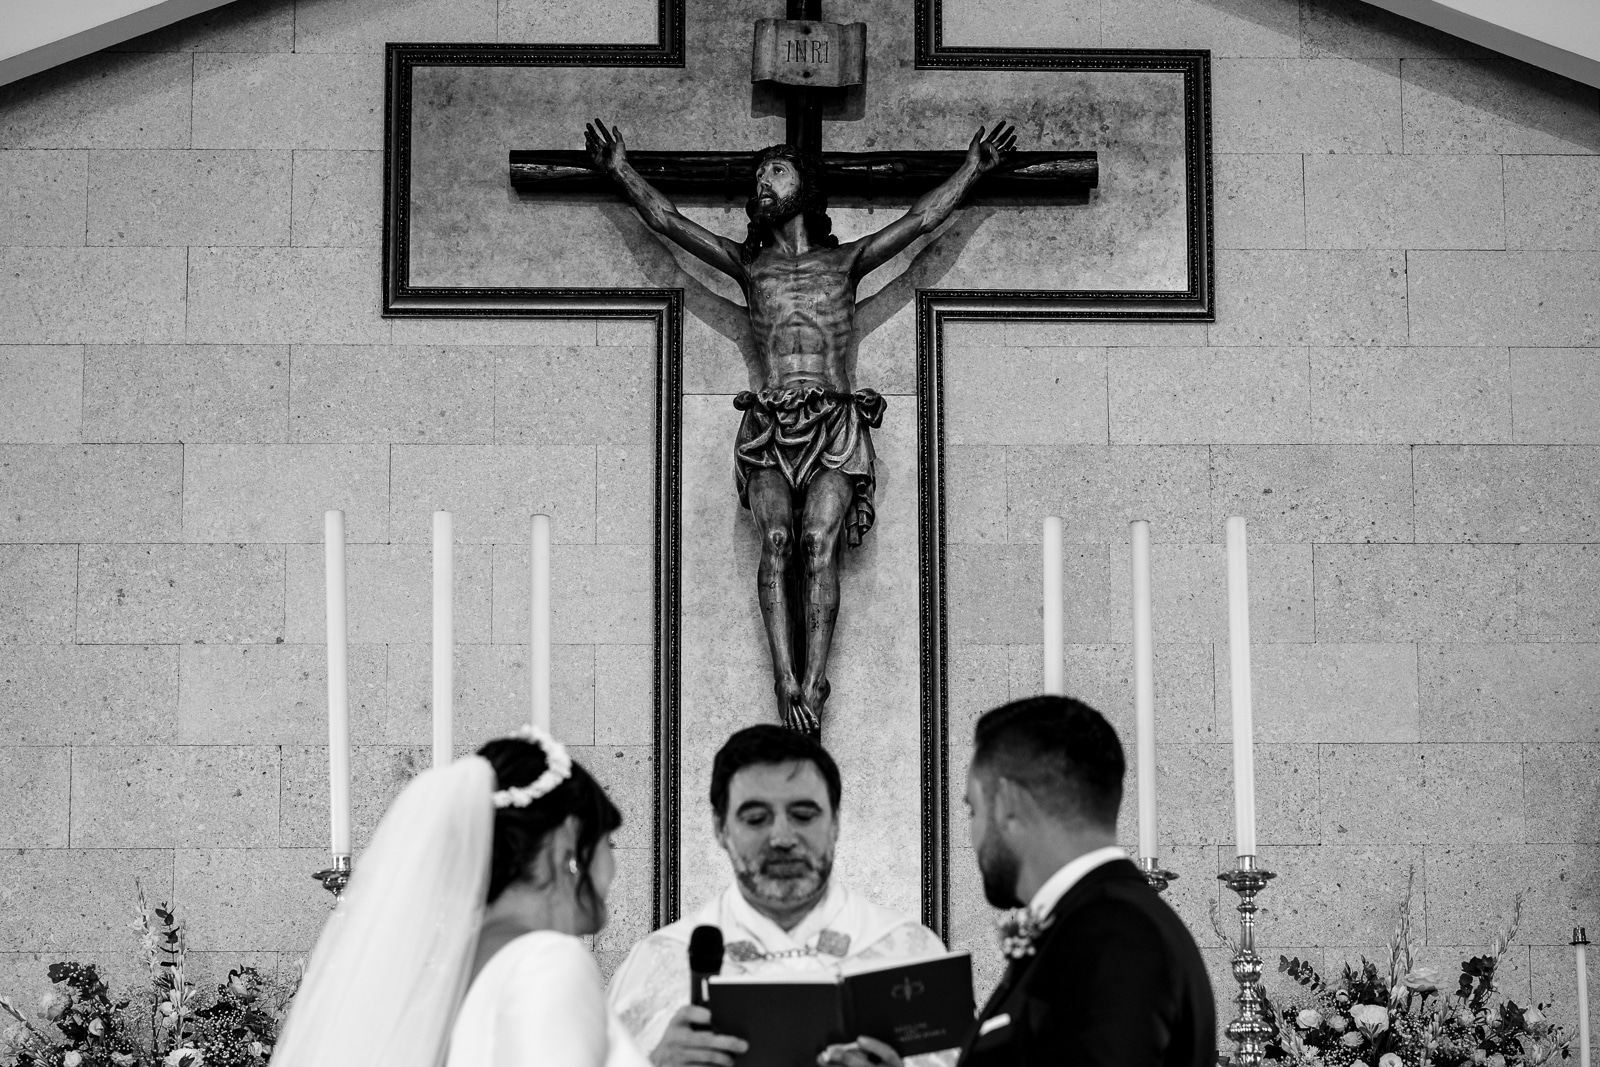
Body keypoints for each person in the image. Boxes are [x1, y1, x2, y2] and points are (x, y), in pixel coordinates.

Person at [585, 120, 1016, 732]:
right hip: (768, 422)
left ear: (806, 189)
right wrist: (620, 169)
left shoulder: (845, 263)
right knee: (777, 541)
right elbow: (667, 223)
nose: (763, 180)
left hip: (835, 421)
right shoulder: (748, 266)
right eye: (758, 173)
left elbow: (921, 222)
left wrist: (973, 169)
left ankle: (815, 683)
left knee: (818, 544)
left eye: (777, 170)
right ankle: (784, 680)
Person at [270, 727, 645, 1067]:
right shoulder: (547, 960)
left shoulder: (454, 966)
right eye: (607, 842)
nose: (612, 867)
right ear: (569, 840)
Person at [608, 725, 952, 1067]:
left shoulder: (911, 955)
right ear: (720, 828)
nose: (782, 838)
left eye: (803, 815)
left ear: (835, 823)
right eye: (757, 818)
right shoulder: (655, 965)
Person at [957, 696, 1215, 1067]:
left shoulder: (1110, 935)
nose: (973, 834)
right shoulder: (1101, 921)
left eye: (973, 809)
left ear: (1008, 803)